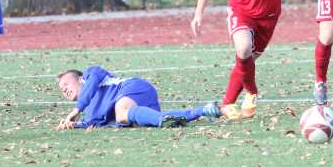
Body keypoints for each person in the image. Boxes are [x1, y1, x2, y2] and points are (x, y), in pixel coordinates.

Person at [56, 67, 221, 129]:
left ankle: (162, 120)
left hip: (134, 88)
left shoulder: (90, 74)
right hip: (137, 107)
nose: (64, 89)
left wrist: (76, 110)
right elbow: (93, 123)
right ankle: (204, 110)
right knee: (135, 121)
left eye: (65, 83)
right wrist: (73, 125)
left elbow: (91, 86)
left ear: (79, 78)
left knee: (122, 113)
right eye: (61, 89)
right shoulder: (89, 110)